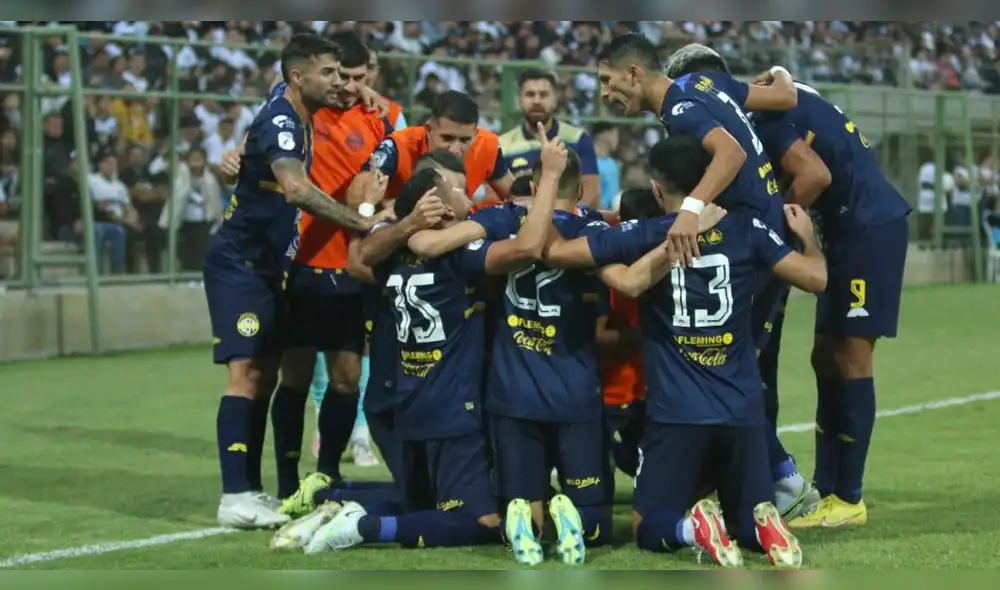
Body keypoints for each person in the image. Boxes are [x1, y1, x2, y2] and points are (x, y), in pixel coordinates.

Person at [275, 126, 567, 554]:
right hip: (453, 406)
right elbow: (524, 249)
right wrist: (549, 180)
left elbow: (363, 257)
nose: (470, 199)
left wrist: (383, 215)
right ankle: (367, 527)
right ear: (437, 207)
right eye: (457, 192)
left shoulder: (389, 253)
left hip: (411, 400)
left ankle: (332, 502)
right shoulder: (460, 257)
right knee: (482, 521)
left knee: (424, 503)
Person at [542, 134, 828, 569]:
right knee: (748, 517)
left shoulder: (646, 233)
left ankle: (692, 529)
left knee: (646, 524)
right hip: (742, 410)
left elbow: (555, 251)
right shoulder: (748, 229)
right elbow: (815, 279)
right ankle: (764, 528)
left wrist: (594, 243)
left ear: (657, 189)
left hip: (678, 411)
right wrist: (808, 239)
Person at [598, 33, 818, 518]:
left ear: (634, 73)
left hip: (747, 245)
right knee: (732, 366)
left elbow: (731, 154)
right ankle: (765, 480)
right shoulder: (702, 82)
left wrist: (691, 210)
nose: (604, 94)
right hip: (762, 237)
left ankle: (776, 481)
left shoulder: (679, 106)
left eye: (607, 81)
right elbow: (783, 95)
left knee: (716, 365)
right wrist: (780, 73)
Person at [205, 33, 376, 529]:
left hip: (267, 267)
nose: (340, 81)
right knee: (246, 375)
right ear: (299, 77)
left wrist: (362, 93)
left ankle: (250, 491)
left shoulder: (295, 107)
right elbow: (297, 189)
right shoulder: (283, 119)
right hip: (241, 263)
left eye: (344, 74)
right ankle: (235, 493)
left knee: (261, 377)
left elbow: (346, 97)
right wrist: (359, 222)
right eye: (330, 73)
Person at [271, 31, 393, 510]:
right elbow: (284, 86)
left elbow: (394, 183)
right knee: (295, 377)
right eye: (337, 74)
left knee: (345, 377)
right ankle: (284, 478)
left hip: (351, 266)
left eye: (354, 76)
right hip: (301, 264)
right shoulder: (301, 112)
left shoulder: (384, 117)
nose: (345, 84)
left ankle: (326, 473)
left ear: (369, 76)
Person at [347, 90, 516, 206]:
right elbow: (355, 201)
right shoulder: (400, 145)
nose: (454, 150)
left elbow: (515, 197)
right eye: (447, 138)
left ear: (475, 133)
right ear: (429, 129)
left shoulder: (487, 146)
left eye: (465, 140)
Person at [499, 68, 600, 207]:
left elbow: (591, 194)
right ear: (519, 99)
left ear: (555, 98)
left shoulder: (578, 139)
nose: (536, 100)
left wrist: (562, 218)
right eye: (530, 94)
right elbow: (495, 197)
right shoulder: (503, 145)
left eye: (544, 94)